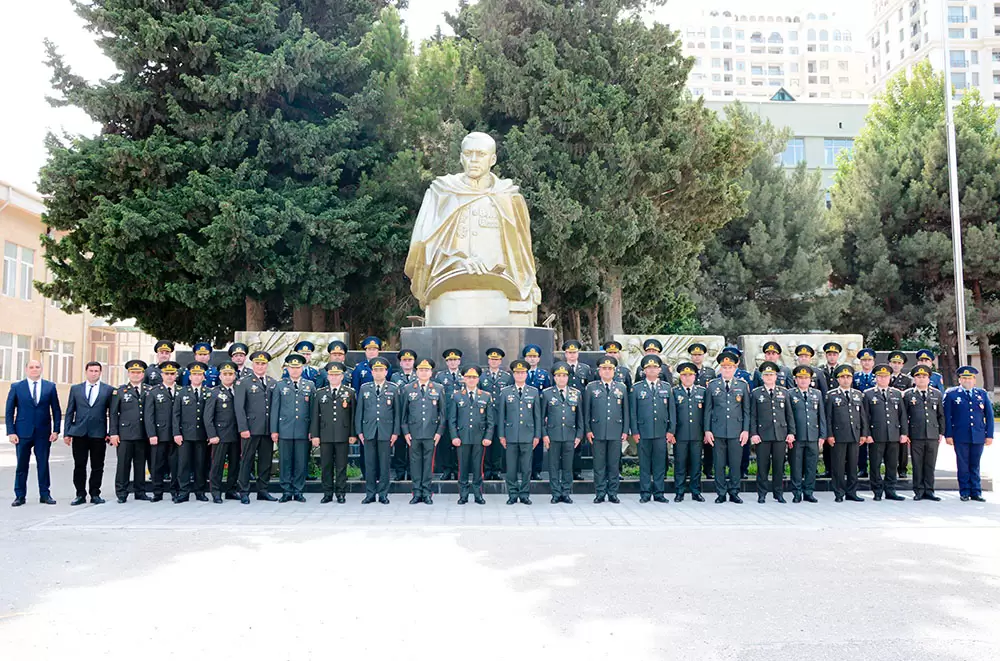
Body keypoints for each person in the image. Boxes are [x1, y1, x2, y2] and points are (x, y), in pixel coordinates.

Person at [6, 359, 61, 507]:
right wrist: (11, 432)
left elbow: (56, 409)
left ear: (41, 369)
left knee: (43, 464)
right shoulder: (17, 387)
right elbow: (10, 411)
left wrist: (56, 430)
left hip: (43, 433)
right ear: (26, 370)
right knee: (21, 465)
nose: (34, 369)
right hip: (22, 432)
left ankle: (45, 494)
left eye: (37, 367)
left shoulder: (50, 387)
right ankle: (19, 495)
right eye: (31, 367)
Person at [703, 350, 751, 504]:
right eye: (724, 367)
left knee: (735, 463)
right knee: (719, 464)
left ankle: (734, 491)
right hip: (717, 430)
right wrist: (707, 430)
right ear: (720, 368)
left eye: (730, 367)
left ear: (734, 368)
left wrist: (746, 430)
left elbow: (746, 410)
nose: (727, 370)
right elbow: (708, 410)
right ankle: (721, 492)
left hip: (736, 431)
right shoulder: (713, 385)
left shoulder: (742, 385)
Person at [64, 361, 113, 505]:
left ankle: (95, 493)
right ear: (86, 372)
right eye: (91, 371)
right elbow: (69, 411)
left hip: (98, 433)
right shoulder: (76, 389)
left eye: (96, 371)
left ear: (100, 372)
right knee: (79, 465)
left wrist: (111, 432)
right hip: (79, 433)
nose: (94, 373)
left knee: (97, 466)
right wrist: (67, 432)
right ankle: (80, 494)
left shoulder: (108, 390)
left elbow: (113, 413)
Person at [584, 356, 630, 504]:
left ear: (614, 370)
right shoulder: (591, 387)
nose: (607, 371)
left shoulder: (621, 387)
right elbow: (587, 411)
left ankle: (613, 493)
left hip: (616, 431)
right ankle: (600, 492)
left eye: (610, 368)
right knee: (599, 464)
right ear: (599, 370)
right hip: (597, 431)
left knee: (614, 464)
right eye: (604, 368)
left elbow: (626, 411)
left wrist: (625, 430)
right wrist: (588, 429)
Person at [944, 365, 993, 502]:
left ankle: (976, 492)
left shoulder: (981, 394)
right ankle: (964, 491)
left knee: (975, 464)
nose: (967, 381)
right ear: (959, 379)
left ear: (974, 380)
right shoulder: (952, 394)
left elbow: (989, 415)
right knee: (963, 464)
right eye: (964, 378)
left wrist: (989, 435)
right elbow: (947, 416)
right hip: (960, 435)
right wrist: (948, 434)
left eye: (970, 378)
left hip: (978, 435)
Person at [629, 354, 674, 503]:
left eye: (655, 367)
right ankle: (645, 493)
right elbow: (633, 412)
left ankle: (659, 492)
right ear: (644, 370)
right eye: (649, 367)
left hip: (661, 432)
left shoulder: (667, 388)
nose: (652, 370)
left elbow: (672, 412)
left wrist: (671, 431)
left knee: (660, 463)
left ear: (660, 369)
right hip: (643, 432)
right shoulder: (636, 388)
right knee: (644, 464)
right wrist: (634, 431)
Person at [234, 351, 277, 504]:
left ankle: (263, 491)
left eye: (263, 364)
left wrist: (274, 429)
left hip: (267, 430)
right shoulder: (243, 382)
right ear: (252, 365)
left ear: (267, 365)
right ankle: (244, 491)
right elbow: (239, 407)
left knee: (266, 461)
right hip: (250, 430)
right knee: (247, 461)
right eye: (257, 363)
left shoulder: (272, 382)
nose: (260, 366)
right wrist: (243, 428)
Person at [271, 353, 315, 503]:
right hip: (285, 429)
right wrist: (274, 430)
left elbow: (313, 411)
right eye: (292, 367)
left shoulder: (310, 385)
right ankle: (286, 491)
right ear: (287, 368)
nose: (295, 370)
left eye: (297, 367)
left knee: (300, 462)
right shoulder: (280, 385)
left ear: (302, 368)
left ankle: (298, 490)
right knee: (285, 461)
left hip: (303, 430)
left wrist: (312, 431)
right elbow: (275, 409)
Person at [749, 361, 795, 504]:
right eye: (766, 375)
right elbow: (753, 416)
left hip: (780, 434)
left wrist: (791, 432)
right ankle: (762, 494)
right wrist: (754, 433)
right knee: (762, 466)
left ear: (776, 376)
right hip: (762, 435)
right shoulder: (756, 393)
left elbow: (789, 414)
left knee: (778, 466)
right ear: (762, 377)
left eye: (771, 375)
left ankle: (778, 493)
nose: (769, 377)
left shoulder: (784, 392)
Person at [310, 362, 356, 504]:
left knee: (341, 466)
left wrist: (353, 434)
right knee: (326, 465)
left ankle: (341, 493)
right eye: (331, 375)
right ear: (327, 376)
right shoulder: (320, 393)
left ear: (342, 376)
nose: (334, 377)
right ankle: (327, 493)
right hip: (325, 435)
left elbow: (353, 415)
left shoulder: (350, 392)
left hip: (343, 434)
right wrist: (315, 435)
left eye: (337, 375)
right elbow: (315, 415)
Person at [449, 365, 495, 505]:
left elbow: (490, 420)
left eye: (474, 377)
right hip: (462, 438)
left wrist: (488, 437)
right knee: (462, 467)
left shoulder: (485, 396)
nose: (471, 380)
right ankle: (463, 495)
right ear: (464, 379)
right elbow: (452, 419)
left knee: (477, 467)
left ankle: (477, 494)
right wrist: (454, 436)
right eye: (468, 377)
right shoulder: (457, 396)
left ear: (478, 379)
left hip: (479, 438)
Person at [497, 359, 541, 505]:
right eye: (517, 373)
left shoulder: (533, 392)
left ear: (527, 374)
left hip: (528, 436)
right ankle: (512, 494)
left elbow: (537, 416)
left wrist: (537, 435)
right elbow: (501, 415)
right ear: (513, 374)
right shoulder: (505, 392)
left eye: (522, 373)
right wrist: (501, 435)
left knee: (526, 468)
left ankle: (524, 494)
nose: (520, 375)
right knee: (511, 468)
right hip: (510, 436)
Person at [357, 356, 400, 504]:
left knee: (384, 464)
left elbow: (397, 413)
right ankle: (370, 493)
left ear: (386, 371)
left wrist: (395, 432)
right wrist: (359, 432)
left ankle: (383, 494)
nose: (378, 372)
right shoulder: (365, 388)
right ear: (371, 372)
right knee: (369, 464)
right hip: (368, 431)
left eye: (381, 370)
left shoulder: (393, 388)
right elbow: (359, 412)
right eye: (375, 370)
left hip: (386, 432)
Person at [862, 363, 908, 501]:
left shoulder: (896, 394)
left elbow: (902, 415)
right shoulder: (868, 394)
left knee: (892, 464)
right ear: (876, 378)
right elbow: (865, 417)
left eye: (886, 376)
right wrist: (867, 434)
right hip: (876, 436)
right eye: (880, 377)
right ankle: (876, 490)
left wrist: (904, 433)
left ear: (890, 378)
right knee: (875, 464)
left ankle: (890, 490)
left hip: (893, 435)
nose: (883, 379)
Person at [399, 357, 441, 504]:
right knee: (415, 463)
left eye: (427, 370)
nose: (424, 372)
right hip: (413, 433)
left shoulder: (438, 388)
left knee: (429, 463)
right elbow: (403, 413)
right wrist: (405, 432)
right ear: (417, 372)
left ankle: (427, 492)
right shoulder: (408, 388)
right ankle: (416, 492)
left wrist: (439, 432)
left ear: (431, 372)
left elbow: (443, 413)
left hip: (431, 433)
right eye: (421, 370)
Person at [541, 362, 582, 504]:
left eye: (564, 376)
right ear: (554, 377)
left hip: (570, 436)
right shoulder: (547, 394)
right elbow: (541, 417)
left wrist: (579, 435)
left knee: (567, 466)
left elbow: (580, 417)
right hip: (553, 436)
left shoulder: (576, 393)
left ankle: (566, 492)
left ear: (568, 377)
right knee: (553, 466)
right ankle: (555, 493)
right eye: (558, 376)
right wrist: (544, 435)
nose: (561, 378)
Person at [902, 364, 944, 501]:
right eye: (918, 376)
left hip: (932, 434)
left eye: (924, 376)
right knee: (917, 463)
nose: (921, 379)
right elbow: (904, 416)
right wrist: (906, 433)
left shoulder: (936, 394)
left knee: (930, 464)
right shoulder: (908, 395)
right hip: (916, 435)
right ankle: (919, 490)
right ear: (914, 379)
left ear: (929, 379)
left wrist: (941, 432)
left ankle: (929, 490)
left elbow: (940, 415)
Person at [825, 364, 868, 503]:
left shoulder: (857, 394)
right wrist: (829, 435)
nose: (845, 379)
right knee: (838, 466)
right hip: (838, 436)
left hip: (854, 434)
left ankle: (852, 492)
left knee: (852, 465)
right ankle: (838, 492)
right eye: (842, 377)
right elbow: (829, 417)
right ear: (838, 379)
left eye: (848, 377)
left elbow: (862, 415)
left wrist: (863, 433)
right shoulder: (831, 395)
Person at [109, 359, 149, 503]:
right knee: (123, 465)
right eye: (133, 372)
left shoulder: (148, 390)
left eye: (138, 372)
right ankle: (121, 492)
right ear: (128, 374)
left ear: (143, 374)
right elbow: (113, 414)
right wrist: (113, 433)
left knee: (140, 464)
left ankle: (140, 491)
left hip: (142, 434)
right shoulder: (119, 391)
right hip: (125, 435)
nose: (136, 375)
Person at [787, 365, 826, 503]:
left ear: (810, 379)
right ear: (795, 380)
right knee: (796, 466)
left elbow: (821, 415)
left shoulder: (817, 394)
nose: (803, 380)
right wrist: (790, 433)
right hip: (797, 436)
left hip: (813, 436)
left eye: (806, 378)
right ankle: (797, 492)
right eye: (800, 378)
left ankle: (809, 492)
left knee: (811, 465)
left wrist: (822, 435)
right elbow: (788, 416)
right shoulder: (790, 394)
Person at [204, 361, 242, 503]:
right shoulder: (214, 392)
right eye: (225, 374)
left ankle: (231, 490)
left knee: (234, 464)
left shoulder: (238, 391)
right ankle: (215, 491)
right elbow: (208, 417)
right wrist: (212, 435)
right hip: (220, 435)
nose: (228, 377)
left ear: (234, 376)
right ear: (220, 376)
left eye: (230, 374)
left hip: (236, 434)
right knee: (217, 465)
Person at [173, 363, 210, 503]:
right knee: (184, 464)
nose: (197, 377)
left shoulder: (208, 392)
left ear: (203, 377)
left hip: (202, 435)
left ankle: (200, 491)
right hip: (185, 435)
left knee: (200, 464)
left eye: (199, 374)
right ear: (190, 377)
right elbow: (176, 415)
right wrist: (176, 433)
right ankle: (184, 492)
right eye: (194, 374)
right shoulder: (182, 392)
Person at [143, 361, 180, 502]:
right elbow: (149, 415)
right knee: (157, 464)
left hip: (176, 435)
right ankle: (157, 492)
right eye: (167, 374)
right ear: (161, 375)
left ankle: (174, 491)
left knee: (175, 465)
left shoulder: (182, 391)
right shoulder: (154, 392)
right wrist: (151, 434)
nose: (169, 376)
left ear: (176, 375)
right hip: (159, 434)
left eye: (172, 374)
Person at [671, 362, 706, 502]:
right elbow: (672, 414)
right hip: (680, 435)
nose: (687, 378)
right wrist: (672, 432)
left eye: (690, 375)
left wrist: (705, 432)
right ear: (680, 376)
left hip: (697, 434)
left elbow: (705, 414)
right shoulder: (674, 392)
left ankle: (695, 491)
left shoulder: (702, 391)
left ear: (695, 376)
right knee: (680, 464)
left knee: (696, 464)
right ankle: (679, 491)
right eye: (684, 375)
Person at [480, 348, 513, 481]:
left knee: (499, 444)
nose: (494, 362)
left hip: (500, 416)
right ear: (488, 360)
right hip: (485, 416)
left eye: (497, 359)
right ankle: (487, 470)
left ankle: (497, 470)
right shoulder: (482, 376)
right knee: (486, 443)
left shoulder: (507, 377)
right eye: (492, 359)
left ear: (500, 361)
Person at [562, 340, 592, 481]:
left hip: (580, 409)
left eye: (574, 352)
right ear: (565, 353)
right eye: (569, 352)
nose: (572, 355)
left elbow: (589, 390)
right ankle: (565, 470)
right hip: (564, 410)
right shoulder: (560, 369)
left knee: (578, 442)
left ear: (578, 353)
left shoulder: (585, 369)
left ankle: (577, 471)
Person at [433, 348, 465, 480]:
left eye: (455, 360)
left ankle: (458, 469)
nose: (453, 362)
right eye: (450, 360)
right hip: (445, 413)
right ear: (446, 362)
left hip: (461, 414)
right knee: (445, 443)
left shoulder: (464, 375)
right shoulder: (440, 376)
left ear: (459, 361)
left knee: (459, 443)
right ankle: (447, 469)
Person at [523, 344, 552, 480]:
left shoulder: (544, 375)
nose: (532, 359)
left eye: (534, 357)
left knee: (538, 442)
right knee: (524, 443)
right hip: (523, 413)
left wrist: (547, 414)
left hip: (539, 413)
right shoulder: (519, 373)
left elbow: (548, 396)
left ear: (539, 359)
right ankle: (525, 470)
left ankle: (536, 470)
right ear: (525, 358)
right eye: (529, 356)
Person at [688, 343, 715, 480]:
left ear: (703, 355)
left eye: (699, 354)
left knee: (708, 444)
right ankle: (690, 470)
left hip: (706, 409)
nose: (697, 357)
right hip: (691, 410)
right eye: (694, 354)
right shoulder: (687, 371)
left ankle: (708, 469)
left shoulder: (710, 372)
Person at [390, 349, 418, 480]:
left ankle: (413, 472)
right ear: (400, 363)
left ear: (413, 362)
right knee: (400, 445)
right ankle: (400, 472)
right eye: (404, 360)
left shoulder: (419, 376)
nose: (407, 362)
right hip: (399, 414)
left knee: (413, 446)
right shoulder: (395, 377)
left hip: (414, 416)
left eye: (410, 360)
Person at [888, 351, 914, 478]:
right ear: (889, 363)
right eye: (894, 363)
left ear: (902, 365)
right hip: (888, 414)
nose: (896, 365)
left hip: (902, 414)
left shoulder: (907, 380)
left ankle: (902, 468)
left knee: (903, 443)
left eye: (899, 363)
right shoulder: (883, 376)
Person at [819, 342, 843, 477]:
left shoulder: (843, 371)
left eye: (834, 354)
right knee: (828, 439)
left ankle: (840, 469)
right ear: (826, 356)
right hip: (825, 408)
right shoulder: (820, 371)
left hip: (840, 410)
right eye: (829, 354)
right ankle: (828, 469)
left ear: (838, 355)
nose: (832, 357)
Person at [853, 347, 877, 478]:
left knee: (874, 442)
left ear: (873, 362)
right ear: (860, 362)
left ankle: (874, 467)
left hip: (874, 413)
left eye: (869, 360)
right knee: (861, 441)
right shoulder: (856, 377)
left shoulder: (877, 376)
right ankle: (862, 468)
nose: (866, 363)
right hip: (859, 413)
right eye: (864, 360)